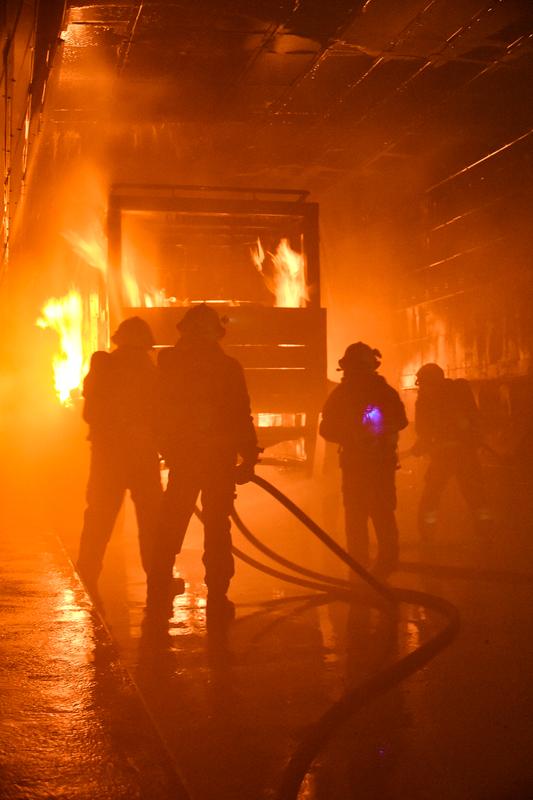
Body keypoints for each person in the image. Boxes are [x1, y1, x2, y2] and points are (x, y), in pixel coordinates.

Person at [150, 303, 259, 615]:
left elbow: (158, 411)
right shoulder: (227, 367)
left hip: (187, 458)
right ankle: (218, 591)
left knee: (173, 521)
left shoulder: (170, 363)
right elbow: (241, 415)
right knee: (216, 525)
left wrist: (166, 448)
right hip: (216, 459)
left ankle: (159, 584)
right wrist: (248, 457)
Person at [77, 317, 162, 595]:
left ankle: (86, 576)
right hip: (140, 459)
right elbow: (163, 417)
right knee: (151, 521)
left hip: (108, 458)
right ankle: (157, 580)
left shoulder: (104, 368)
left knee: (99, 519)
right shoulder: (151, 374)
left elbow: (89, 414)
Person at [319, 342, 408, 577]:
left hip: (370, 463)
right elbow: (327, 429)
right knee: (370, 513)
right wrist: (355, 434)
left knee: (368, 513)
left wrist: (377, 431)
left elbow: (400, 420)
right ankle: (369, 564)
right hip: (364, 464)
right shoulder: (377, 393)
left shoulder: (374, 393)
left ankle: (374, 564)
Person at [413, 362, 492, 540]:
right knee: (439, 496)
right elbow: (423, 430)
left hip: (458, 455)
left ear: (433, 382)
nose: (423, 388)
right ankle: (429, 534)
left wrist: (426, 443)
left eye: (424, 383)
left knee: (469, 495)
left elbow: (425, 430)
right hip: (452, 455)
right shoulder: (432, 399)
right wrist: (425, 443)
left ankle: (484, 532)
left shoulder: (450, 397)